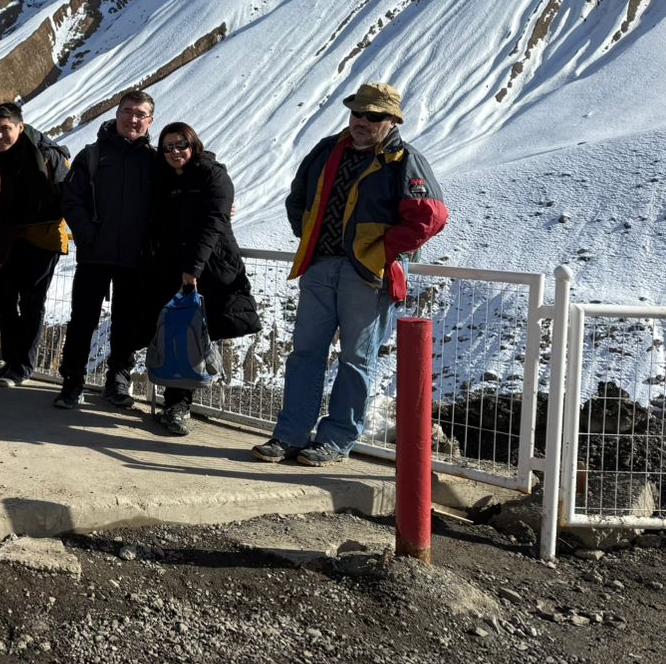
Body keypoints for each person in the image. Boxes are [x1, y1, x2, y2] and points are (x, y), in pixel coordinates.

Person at [256, 82, 449, 466]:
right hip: (320, 266)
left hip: (368, 275)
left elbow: (431, 216)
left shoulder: (403, 159)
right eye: (357, 112)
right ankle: (290, 435)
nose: (362, 121)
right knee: (304, 354)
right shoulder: (328, 150)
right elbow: (298, 198)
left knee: (355, 359)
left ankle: (336, 438)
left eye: (373, 115)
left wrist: (381, 250)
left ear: (392, 120)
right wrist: (310, 236)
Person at [144, 121, 261, 434]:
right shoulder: (163, 179)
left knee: (193, 338)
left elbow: (214, 223)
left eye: (180, 144)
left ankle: (179, 406)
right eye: (167, 147)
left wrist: (192, 270)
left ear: (193, 144)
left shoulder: (213, 175)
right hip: (171, 268)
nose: (174, 152)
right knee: (178, 336)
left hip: (207, 270)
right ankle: (175, 404)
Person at [55, 90, 158, 410]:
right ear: (117, 114)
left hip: (135, 258)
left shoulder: (156, 161)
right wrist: (88, 235)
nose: (133, 119)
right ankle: (72, 381)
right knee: (82, 320)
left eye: (140, 114)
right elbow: (71, 199)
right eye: (128, 111)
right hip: (94, 255)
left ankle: (118, 380)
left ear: (150, 120)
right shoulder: (93, 155)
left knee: (127, 322)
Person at [0, 102, 69, 388]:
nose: (0, 136)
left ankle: (22, 366)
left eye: (6, 130)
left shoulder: (44, 154)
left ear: (20, 127)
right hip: (9, 240)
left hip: (42, 239)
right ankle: (13, 362)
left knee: (31, 302)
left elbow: (62, 196)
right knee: (4, 301)